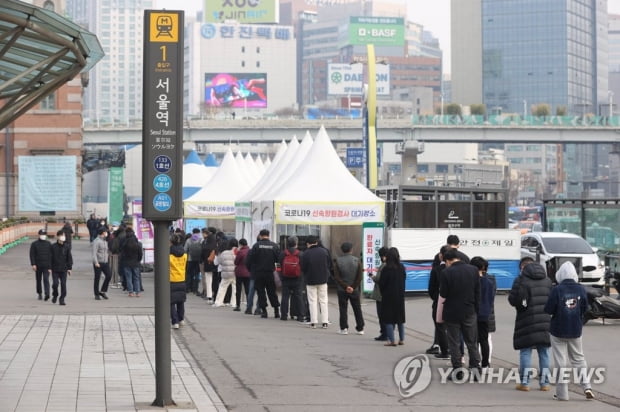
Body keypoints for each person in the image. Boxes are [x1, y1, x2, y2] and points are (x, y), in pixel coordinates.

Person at [544, 261, 595, 401]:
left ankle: (562, 394)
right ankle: (587, 387)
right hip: (575, 329)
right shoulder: (580, 289)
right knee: (579, 359)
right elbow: (585, 309)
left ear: (559, 274)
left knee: (561, 362)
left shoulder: (557, 289)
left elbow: (548, 309)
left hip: (558, 330)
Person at [508, 257, 552, 391]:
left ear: (523, 267)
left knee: (525, 351)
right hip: (545, 320)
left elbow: (513, 300)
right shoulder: (547, 280)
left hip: (526, 320)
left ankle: (525, 383)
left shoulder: (521, 281)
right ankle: (545, 383)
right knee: (544, 352)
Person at [439, 248, 481, 377]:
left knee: (454, 342)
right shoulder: (473, 270)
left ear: (448, 261)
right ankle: (475, 369)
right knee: (472, 341)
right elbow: (477, 291)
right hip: (469, 310)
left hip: (452, 312)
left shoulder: (446, 272)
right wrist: (475, 309)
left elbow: (443, 293)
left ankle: (457, 370)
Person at [246, 229, 280, 318]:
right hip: (270, 273)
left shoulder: (256, 246)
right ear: (269, 235)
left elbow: (249, 260)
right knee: (272, 292)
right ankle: (276, 311)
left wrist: (251, 270)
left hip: (259, 273)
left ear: (260, 236)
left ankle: (264, 312)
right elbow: (278, 260)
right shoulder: (274, 246)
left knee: (261, 293)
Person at [333, 242, 365, 335]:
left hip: (342, 289)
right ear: (351, 249)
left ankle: (344, 328)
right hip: (354, 289)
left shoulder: (338, 261)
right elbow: (359, 277)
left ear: (342, 250)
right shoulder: (357, 260)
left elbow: (337, 277)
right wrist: (352, 287)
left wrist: (346, 286)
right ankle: (360, 328)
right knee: (357, 308)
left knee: (343, 308)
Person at [470, 256, 496, 368]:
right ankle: (485, 363)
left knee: (473, 341)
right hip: (486, 314)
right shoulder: (490, 281)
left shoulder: (472, 281)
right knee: (484, 340)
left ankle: (475, 363)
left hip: (472, 314)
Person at [300, 235, 331, 329]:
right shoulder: (324, 252)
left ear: (307, 244)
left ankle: (313, 322)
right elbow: (329, 265)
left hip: (310, 280)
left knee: (312, 301)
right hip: (323, 279)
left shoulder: (305, 253)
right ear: (316, 242)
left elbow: (303, 268)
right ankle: (325, 322)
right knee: (323, 300)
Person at [378, 247, 406, 346]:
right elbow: (404, 279)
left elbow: (382, 283)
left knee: (388, 319)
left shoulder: (386, 268)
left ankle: (391, 340)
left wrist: (383, 292)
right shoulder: (402, 267)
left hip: (388, 296)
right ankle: (402, 339)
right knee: (400, 319)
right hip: (400, 295)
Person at [428, 245, 450, 359]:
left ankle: (445, 351)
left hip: (439, 302)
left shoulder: (437, 270)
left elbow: (431, 289)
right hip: (456, 303)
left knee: (440, 327)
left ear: (441, 255)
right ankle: (457, 352)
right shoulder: (461, 269)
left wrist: (436, 298)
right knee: (454, 328)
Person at [278, 236, 304, 321]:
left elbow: (278, 265)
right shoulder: (300, 254)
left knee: (285, 297)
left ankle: (284, 316)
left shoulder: (283, 253)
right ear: (296, 243)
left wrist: (280, 275)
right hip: (297, 278)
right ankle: (300, 316)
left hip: (285, 278)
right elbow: (303, 267)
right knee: (298, 297)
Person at [369, 246, 388, 341]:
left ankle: (384, 333)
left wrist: (372, 276)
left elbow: (379, 279)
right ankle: (388, 333)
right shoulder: (393, 264)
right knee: (387, 315)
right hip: (388, 294)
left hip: (380, 294)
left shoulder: (384, 265)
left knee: (381, 315)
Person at [169, 233, 187, 329]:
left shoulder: (169, 256)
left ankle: (175, 321)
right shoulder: (184, 255)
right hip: (182, 279)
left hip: (171, 279)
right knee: (180, 301)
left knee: (171, 302)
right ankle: (181, 319)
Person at [213, 238, 237, 308]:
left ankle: (218, 302)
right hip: (235, 273)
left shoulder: (224, 252)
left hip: (226, 273)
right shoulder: (237, 251)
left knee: (222, 287)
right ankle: (234, 303)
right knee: (235, 288)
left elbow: (219, 262)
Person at [50, 229, 72, 305]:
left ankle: (62, 299)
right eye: (62, 235)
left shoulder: (67, 246)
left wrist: (69, 268)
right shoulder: (53, 246)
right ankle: (55, 295)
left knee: (63, 284)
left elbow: (69, 258)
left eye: (64, 235)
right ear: (58, 236)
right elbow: (50, 258)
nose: (63, 237)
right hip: (55, 269)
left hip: (64, 269)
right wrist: (49, 268)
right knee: (55, 284)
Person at [30, 229, 52, 301]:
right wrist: (33, 264)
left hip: (46, 265)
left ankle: (47, 293)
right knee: (38, 280)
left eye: (44, 234)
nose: (43, 236)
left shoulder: (48, 243)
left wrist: (50, 266)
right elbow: (32, 255)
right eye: (42, 234)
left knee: (46, 279)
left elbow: (51, 255)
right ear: (39, 235)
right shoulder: (34, 244)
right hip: (38, 265)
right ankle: (39, 293)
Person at [120, 227, 143, 297]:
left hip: (127, 263)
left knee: (128, 277)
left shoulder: (125, 243)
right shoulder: (137, 243)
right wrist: (138, 260)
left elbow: (122, 253)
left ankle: (130, 292)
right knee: (136, 277)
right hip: (136, 263)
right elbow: (140, 254)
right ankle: (138, 292)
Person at [92, 227, 112, 300]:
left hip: (105, 262)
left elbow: (106, 251)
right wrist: (96, 262)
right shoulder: (96, 241)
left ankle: (103, 291)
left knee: (109, 275)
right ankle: (96, 294)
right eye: (105, 232)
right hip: (98, 262)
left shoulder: (105, 241)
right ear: (102, 233)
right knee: (97, 278)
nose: (106, 233)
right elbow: (94, 253)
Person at [234, 238, 251, 312]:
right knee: (248, 290)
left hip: (240, 273)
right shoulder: (250, 251)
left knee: (238, 290)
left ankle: (238, 306)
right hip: (248, 273)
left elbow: (236, 262)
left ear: (240, 244)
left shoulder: (240, 252)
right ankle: (249, 306)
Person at [201, 227, 218, 302]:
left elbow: (203, 251)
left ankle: (209, 296)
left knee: (208, 279)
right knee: (215, 280)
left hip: (208, 262)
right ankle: (215, 295)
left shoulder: (205, 242)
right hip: (216, 263)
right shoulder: (216, 240)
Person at [184, 228, 203, 294]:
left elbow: (185, 250)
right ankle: (195, 289)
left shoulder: (188, 240)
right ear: (199, 232)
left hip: (189, 259)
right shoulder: (201, 240)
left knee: (189, 274)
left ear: (192, 232)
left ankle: (188, 288)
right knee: (196, 274)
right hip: (198, 260)